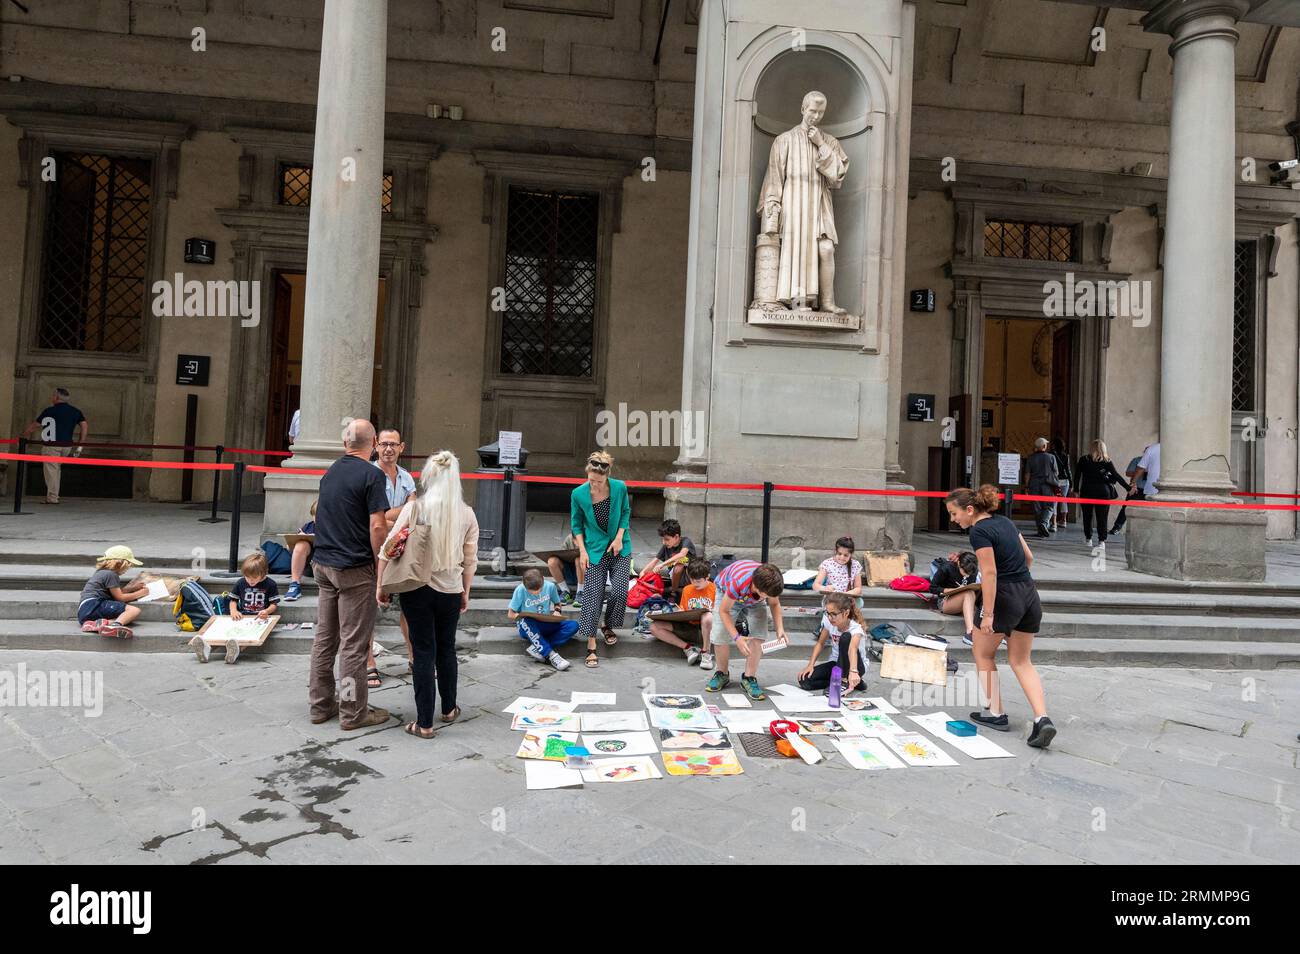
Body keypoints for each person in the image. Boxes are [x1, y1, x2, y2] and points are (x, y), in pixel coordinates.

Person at [944, 485, 1056, 749]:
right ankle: (1042, 718)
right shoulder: (1005, 521)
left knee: (983, 653)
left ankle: (996, 713)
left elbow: (990, 573)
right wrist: (1019, 584)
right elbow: (1029, 557)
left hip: (1004, 596)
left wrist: (989, 614)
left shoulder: (979, 531)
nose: (953, 519)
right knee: (1021, 661)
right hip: (1028, 593)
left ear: (969, 510)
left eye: (954, 513)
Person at [378, 450, 479, 739]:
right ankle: (449, 708)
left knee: (423, 650)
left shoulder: (415, 509)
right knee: (447, 648)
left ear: (429, 476)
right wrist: (465, 591)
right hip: (450, 589)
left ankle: (424, 723)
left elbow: (388, 546)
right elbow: (470, 560)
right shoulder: (467, 513)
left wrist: (380, 585)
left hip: (415, 588)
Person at [308, 419, 391, 731]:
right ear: (372, 444)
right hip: (353, 567)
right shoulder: (372, 474)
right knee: (354, 645)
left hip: (323, 564)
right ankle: (353, 712)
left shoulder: (331, 472)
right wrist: (379, 564)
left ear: (345, 445)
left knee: (324, 640)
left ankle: (320, 706)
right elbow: (378, 526)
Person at [571, 451, 631, 669]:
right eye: (590, 480)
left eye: (598, 481)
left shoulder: (619, 487)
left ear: (607, 476)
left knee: (620, 590)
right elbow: (576, 524)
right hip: (594, 549)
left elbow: (625, 512)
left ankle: (608, 624)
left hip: (619, 547)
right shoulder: (578, 494)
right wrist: (582, 551)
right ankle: (591, 645)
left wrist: (618, 538)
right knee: (592, 595)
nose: (593, 485)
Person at [369, 428, 418, 684]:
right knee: (367, 609)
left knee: (408, 607)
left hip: (401, 551)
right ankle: (368, 663)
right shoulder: (368, 474)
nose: (388, 449)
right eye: (384, 444)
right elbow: (370, 518)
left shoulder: (407, 478)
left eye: (394, 444)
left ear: (402, 447)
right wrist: (397, 516)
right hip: (371, 549)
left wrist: (386, 516)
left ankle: (413, 658)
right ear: (376, 445)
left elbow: (413, 512)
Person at [704, 560, 787, 700]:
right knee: (720, 634)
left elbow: (774, 604)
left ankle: (749, 677)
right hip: (727, 594)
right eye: (765, 595)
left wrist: (780, 629)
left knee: (759, 633)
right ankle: (722, 673)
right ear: (755, 585)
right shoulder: (738, 582)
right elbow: (724, 611)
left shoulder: (771, 584)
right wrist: (737, 638)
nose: (766, 598)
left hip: (754, 600)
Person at [21, 387, 88, 505]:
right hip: (67, 446)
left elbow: (34, 426)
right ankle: (53, 495)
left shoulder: (49, 411)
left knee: (51, 471)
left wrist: (23, 436)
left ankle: (52, 497)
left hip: (51, 446)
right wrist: (80, 445)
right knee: (56, 470)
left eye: (53, 395)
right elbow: (84, 426)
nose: (51, 397)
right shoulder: (75, 411)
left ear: (57, 398)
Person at [647, 557, 716, 668]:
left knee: (707, 616)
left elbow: (721, 614)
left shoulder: (715, 589)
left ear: (707, 577)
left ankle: (706, 653)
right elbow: (683, 609)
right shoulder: (687, 589)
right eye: (692, 580)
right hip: (689, 627)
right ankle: (689, 648)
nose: (695, 583)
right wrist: (680, 613)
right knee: (654, 627)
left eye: (698, 581)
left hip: (707, 631)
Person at [797, 592, 868, 693]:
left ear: (846, 613)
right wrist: (810, 665)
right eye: (828, 613)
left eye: (834, 614)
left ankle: (845, 680)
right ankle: (852, 683)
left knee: (845, 637)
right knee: (805, 680)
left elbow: (852, 649)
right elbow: (820, 643)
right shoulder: (828, 622)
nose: (830, 617)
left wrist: (853, 671)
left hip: (855, 665)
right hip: (836, 664)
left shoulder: (855, 629)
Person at [508, 568, 576, 672]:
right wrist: (520, 615)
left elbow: (557, 603)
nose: (536, 593)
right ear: (524, 585)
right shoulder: (520, 590)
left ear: (543, 580)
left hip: (546, 623)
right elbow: (511, 614)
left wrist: (557, 611)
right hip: (528, 626)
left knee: (573, 625)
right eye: (532, 592)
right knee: (526, 621)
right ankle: (552, 656)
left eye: (539, 590)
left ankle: (537, 648)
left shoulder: (550, 586)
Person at [78, 545, 146, 638]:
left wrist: (132, 588)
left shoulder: (101, 573)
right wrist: (140, 593)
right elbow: (120, 597)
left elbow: (114, 592)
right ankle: (114, 626)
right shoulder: (111, 575)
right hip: (95, 605)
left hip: (84, 611)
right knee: (133, 610)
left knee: (125, 618)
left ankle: (96, 624)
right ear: (120, 564)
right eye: (128, 566)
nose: (127, 570)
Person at [1074, 439, 1130, 547]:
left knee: (1087, 516)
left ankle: (1088, 539)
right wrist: (1128, 488)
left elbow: (1077, 476)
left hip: (1087, 491)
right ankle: (1101, 541)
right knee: (1102, 517)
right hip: (1103, 492)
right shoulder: (1106, 461)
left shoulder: (1083, 459)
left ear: (1091, 448)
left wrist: (1076, 490)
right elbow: (1116, 476)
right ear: (1103, 449)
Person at [637, 519, 696, 598]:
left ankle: (673, 594)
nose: (664, 542)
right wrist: (643, 572)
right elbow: (655, 561)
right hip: (675, 580)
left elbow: (682, 554)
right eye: (663, 539)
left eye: (667, 539)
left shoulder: (686, 541)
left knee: (678, 566)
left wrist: (662, 565)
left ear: (676, 537)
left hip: (689, 578)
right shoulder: (666, 547)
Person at [1025, 437, 1061, 538]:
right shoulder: (1051, 457)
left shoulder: (1030, 458)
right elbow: (1056, 473)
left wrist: (1027, 486)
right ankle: (1044, 523)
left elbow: (1027, 474)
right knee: (1049, 506)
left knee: (1037, 508)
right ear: (1044, 446)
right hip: (1048, 485)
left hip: (1034, 485)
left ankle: (1040, 529)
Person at [1109, 447, 1147, 536]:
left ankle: (1142, 530)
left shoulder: (1157, 462)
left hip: (1151, 489)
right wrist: (1141, 472)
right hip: (1137, 488)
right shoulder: (1137, 460)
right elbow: (1128, 473)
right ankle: (1117, 528)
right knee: (1126, 508)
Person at [283, 500, 316, 602]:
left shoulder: (334, 526)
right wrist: (293, 543)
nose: (318, 518)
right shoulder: (308, 526)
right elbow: (290, 549)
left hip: (327, 566)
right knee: (301, 544)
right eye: (315, 515)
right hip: (308, 565)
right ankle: (294, 585)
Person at [812, 536, 863, 601]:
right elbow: (815, 585)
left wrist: (846, 594)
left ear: (851, 554)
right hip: (831, 599)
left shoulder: (855, 565)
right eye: (839, 554)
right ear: (835, 551)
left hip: (847, 600)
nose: (842, 557)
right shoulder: (827, 563)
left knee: (859, 602)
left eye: (846, 555)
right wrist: (825, 588)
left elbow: (858, 588)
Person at [545, 532, 584, 606]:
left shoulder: (592, 537)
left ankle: (581, 592)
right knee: (552, 561)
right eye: (575, 540)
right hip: (568, 572)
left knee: (578, 559)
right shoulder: (569, 538)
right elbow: (562, 554)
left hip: (585, 574)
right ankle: (565, 592)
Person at [1051, 436, 1073, 531]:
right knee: (1063, 500)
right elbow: (1068, 470)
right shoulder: (1065, 456)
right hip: (1065, 481)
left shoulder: (1051, 455)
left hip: (1056, 480)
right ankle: (1064, 520)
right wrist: (1071, 483)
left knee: (1054, 501)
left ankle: (1054, 523)